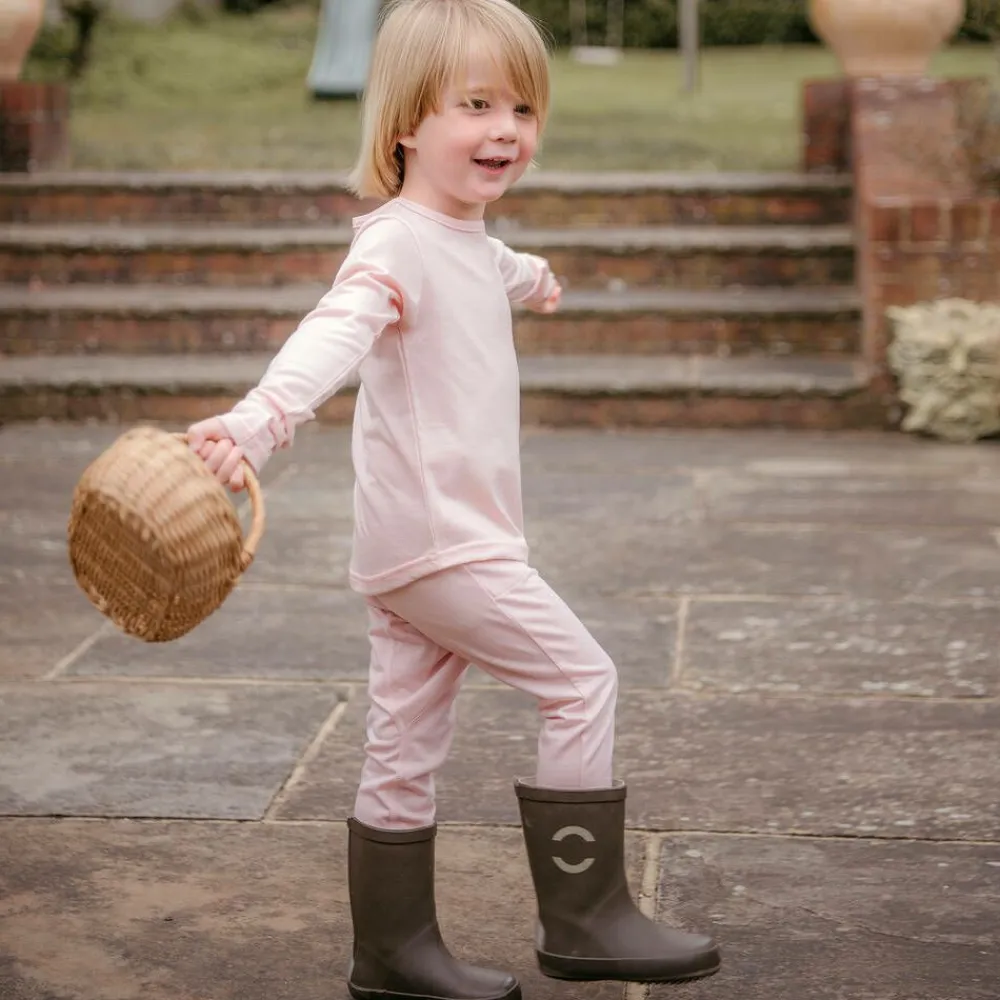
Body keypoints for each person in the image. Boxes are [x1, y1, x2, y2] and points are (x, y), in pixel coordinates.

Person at [187, 2, 721, 998]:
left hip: (412, 549)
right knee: (582, 681)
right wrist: (259, 420)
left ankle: (392, 953)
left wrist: (536, 278)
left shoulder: (465, 240)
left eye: (522, 108)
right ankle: (587, 918)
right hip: (447, 548)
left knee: (403, 742)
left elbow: (493, 268)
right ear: (405, 123)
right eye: (476, 105)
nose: (505, 129)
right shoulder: (394, 246)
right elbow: (335, 331)